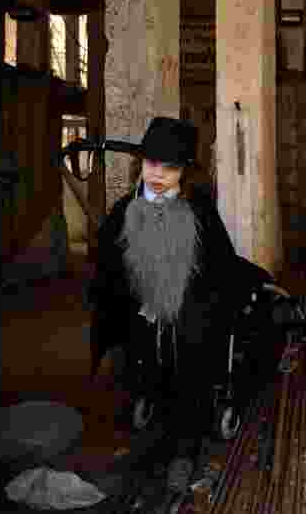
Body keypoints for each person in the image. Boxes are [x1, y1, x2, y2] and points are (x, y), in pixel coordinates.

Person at [88, 116, 239, 483]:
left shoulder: (199, 211)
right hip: (140, 311)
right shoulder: (124, 210)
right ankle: (147, 433)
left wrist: (190, 303)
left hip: (188, 314)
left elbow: (220, 269)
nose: (157, 174)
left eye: (169, 167)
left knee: (189, 362)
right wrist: (129, 299)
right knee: (139, 361)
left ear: (184, 171)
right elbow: (107, 268)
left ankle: (185, 449)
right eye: (152, 163)